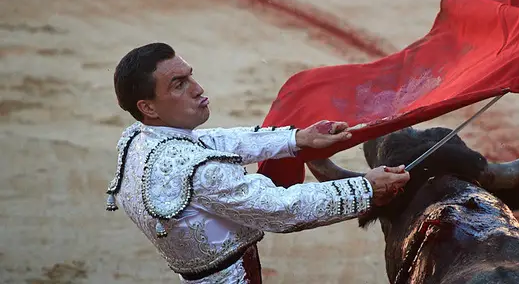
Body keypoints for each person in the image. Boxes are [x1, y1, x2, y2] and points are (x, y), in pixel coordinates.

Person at [105, 42, 410, 283]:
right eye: (178, 84)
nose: (197, 88)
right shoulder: (198, 171)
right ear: (148, 107)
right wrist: (365, 189)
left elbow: (216, 142)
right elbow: (281, 208)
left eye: (190, 76)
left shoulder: (137, 140)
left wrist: (297, 139)